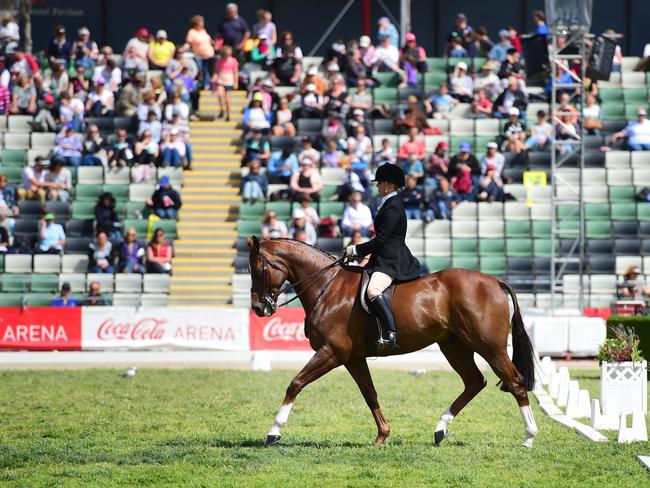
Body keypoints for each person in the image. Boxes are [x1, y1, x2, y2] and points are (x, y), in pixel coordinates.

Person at [344, 164, 420, 348]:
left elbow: (381, 239)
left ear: (388, 185)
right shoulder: (388, 203)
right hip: (383, 257)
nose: (377, 187)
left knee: (373, 291)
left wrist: (356, 250)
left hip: (391, 260)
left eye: (379, 184)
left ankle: (390, 334)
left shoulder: (393, 206)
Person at [183, 15, 215, 90]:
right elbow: (188, 43)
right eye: (201, 22)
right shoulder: (191, 32)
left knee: (207, 71)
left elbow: (209, 40)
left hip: (209, 55)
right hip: (199, 57)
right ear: (196, 23)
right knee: (199, 71)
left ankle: (206, 85)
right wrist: (182, 49)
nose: (203, 24)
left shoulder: (203, 31)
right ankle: (198, 85)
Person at [212, 45, 239, 121]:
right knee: (220, 96)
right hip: (220, 80)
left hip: (229, 81)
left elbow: (235, 72)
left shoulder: (233, 61)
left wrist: (236, 82)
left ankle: (228, 114)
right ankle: (222, 109)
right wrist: (214, 78)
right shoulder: (219, 61)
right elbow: (216, 71)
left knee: (227, 100)